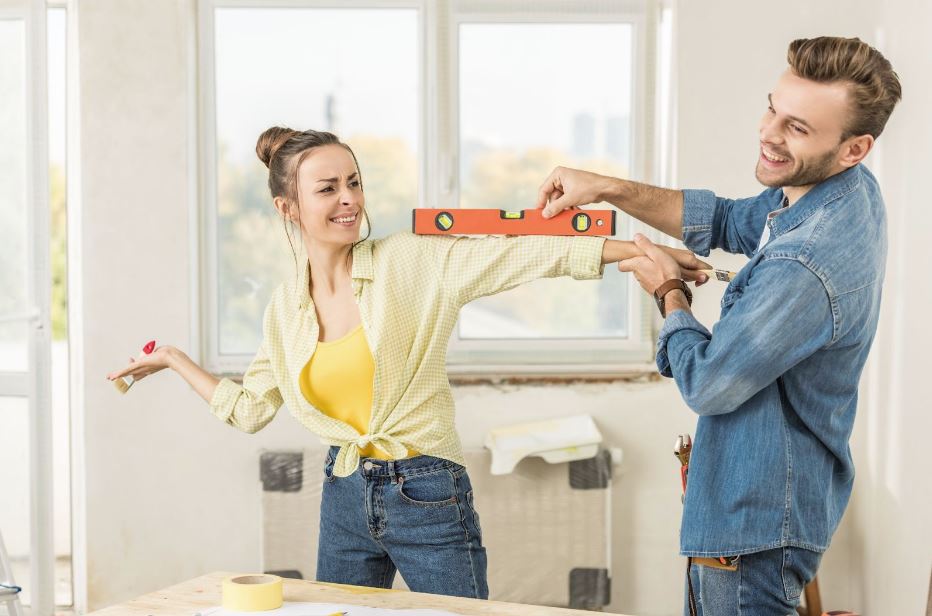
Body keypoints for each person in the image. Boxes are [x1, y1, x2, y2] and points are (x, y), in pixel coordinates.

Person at [107, 127, 709, 599]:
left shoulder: (408, 261)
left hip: (427, 491)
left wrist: (638, 251)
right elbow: (248, 410)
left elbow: (521, 256)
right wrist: (176, 360)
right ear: (287, 208)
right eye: (327, 189)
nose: (348, 200)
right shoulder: (284, 310)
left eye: (354, 181)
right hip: (343, 494)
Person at [536, 37, 901, 615]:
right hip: (769, 508)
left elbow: (707, 383)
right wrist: (608, 188)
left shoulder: (804, 262)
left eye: (797, 128)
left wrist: (669, 293)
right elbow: (731, 219)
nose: (769, 132)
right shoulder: (840, 190)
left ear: (854, 147)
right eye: (772, 107)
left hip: (752, 522)